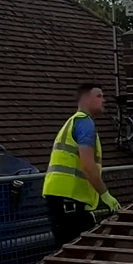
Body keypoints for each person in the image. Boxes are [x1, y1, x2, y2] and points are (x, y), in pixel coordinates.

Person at [43, 83, 119, 248]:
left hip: (64, 199)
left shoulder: (74, 122)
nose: (103, 100)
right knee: (76, 252)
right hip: (69, 201)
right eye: (99, 96)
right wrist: (105, 195)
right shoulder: (85, 123)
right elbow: (88, 166)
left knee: (72, 250)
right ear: (86, 99)